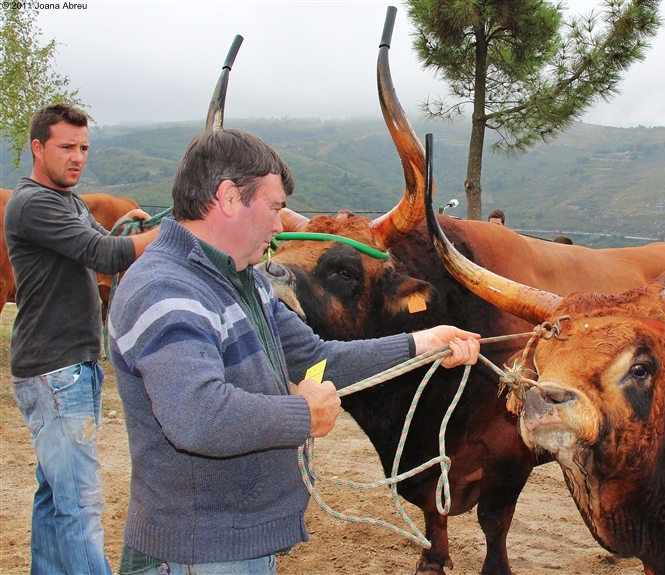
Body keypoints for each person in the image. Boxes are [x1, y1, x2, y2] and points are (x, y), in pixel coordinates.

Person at [107, 128, 481, 575]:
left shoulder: (242, 280)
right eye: (274, 206)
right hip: (198, 551)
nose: (279, 224)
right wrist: (303, 415)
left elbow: (317, 358)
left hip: (233, 540)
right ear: (228, 198)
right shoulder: (165, 289)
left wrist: (422, 343)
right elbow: (198, 416)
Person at [4, 103, 159, 575]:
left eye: (84, 148)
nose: (78, 157)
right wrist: (176, 230)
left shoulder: (66, 202)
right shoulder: (33, 203)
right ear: (38, 147)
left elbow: (101, 238)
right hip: (54, 371)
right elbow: (103, 252)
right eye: (66, 147)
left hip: (70, 365)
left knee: (56, 498)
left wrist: (131, 222)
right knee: (79, 505)